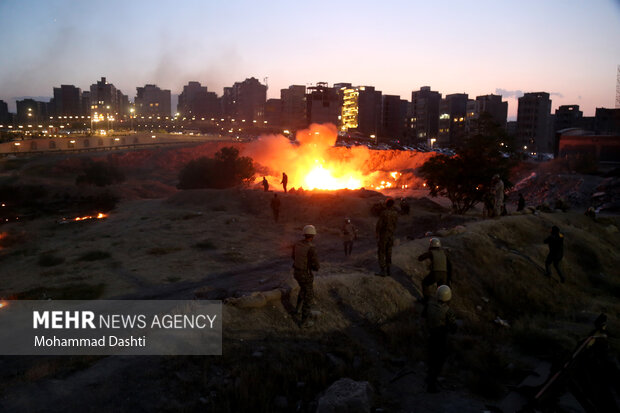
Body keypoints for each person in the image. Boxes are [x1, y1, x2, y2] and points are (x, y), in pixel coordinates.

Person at [426, 285, 457, 393]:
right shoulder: (448, 311)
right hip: (440, 339)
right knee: (438, 362)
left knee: (431, 359)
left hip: (430, 336)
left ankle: (429, 379)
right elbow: (454, 328)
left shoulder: (429, 306)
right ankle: (431, 385)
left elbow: (424, 317)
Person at [292, 225, 320, 327]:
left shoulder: (297, 244)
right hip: (305, 274)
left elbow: (293, 257)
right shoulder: (311, 248)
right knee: (309, 296)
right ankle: (304, 322)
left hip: (296, 273)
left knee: (303, 289)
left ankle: (297, 310)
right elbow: (316, 266)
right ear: (313, 236)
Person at [418, 238, 452, 315]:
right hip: (444, 274)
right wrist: (449, 277)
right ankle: (443, 308)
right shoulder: (444, 253)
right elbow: (449, 265)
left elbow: (421, 258)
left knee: (425, 283)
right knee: (441, 290)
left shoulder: (431, 252)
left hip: (436, 273)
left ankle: (426, 300)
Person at [375, 198, 398, 277]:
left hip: (384, 235)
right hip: (391, 235)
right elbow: (395, 224)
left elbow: (379, 224)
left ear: (386, 204)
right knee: (389, 252)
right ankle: (389, 270)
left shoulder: (384, 213)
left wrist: (377, 233)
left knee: (381, 252)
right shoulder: (395, 213)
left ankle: (382, 270)